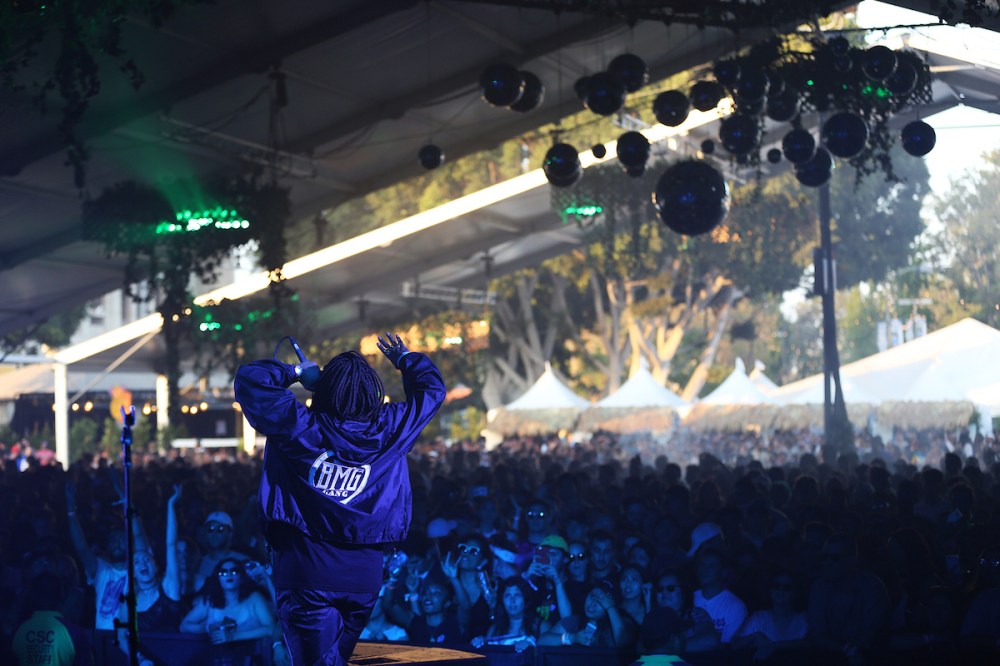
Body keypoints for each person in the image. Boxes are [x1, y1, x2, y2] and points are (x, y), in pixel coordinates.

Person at [234, 332, 446, 666]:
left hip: (306, 573)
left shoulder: (301, 427)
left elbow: (252, 381)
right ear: (372, 392)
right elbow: (432, 392)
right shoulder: (390, 429)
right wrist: (406, 359)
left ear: (324, 389)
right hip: (364, 577)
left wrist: (297, 373)